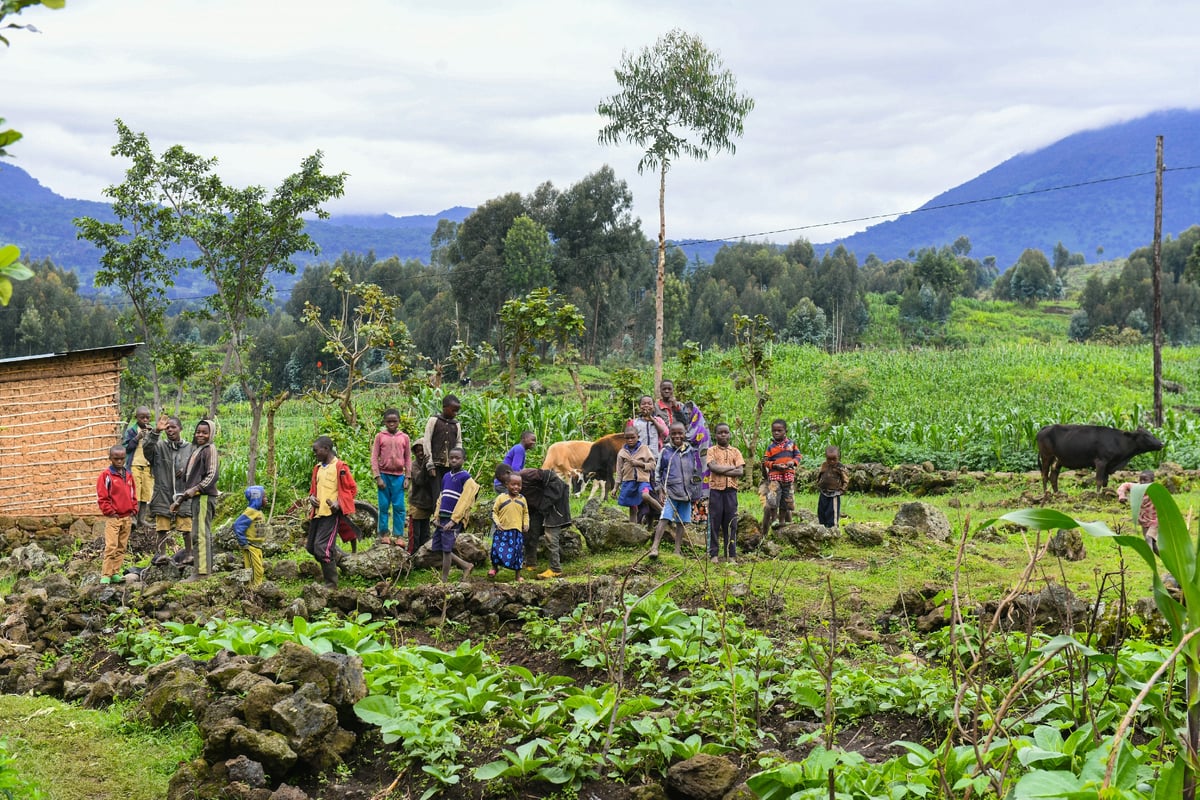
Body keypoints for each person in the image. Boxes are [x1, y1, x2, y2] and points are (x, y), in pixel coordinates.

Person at [493, 463, 572, 579]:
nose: (507, 485)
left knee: (551, 536)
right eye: (504, 484)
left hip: (555, 504)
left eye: (505, 481)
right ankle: (531, 563)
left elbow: (554, 480)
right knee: (530, 532)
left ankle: (555, 569)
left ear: (509, 473)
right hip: (539, 509)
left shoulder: (527, 474)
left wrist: (545, 502)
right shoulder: (515, 490)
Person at [306, 435, 358, 589]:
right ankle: (337, 559)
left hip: (331, 514)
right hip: (318, 513)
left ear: (326, 449)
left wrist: (339, 503)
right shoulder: (318, 468)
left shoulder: (340, 467)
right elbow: (313, 489)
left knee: (321, 548)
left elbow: (352, 489)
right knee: (311, 547)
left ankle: (331, 583)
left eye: (316, 451)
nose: (315, 453)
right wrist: (311, 498)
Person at [171, 419, 220, 579]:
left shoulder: (210, 449)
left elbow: (212, 474)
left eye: (204, 432)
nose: (200, 435)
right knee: (198, 534)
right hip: (198, 498)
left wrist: (197, 488)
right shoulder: (199, 450)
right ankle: (202, 570)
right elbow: (192, 478)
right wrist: (179, 501)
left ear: (211, 434)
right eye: (198, 432)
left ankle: (202, 573)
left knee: (200, 534)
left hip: (204, 497)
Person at [143, 414, 194, 564]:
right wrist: (156, 432)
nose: (170, 430)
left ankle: (189, 554)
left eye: (173, 427)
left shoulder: (190, 448)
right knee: (162, 526)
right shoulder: (159, 447)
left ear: (180, 428)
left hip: (183, 494)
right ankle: (162, 554)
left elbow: (198, 466)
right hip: (163, 492)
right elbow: (147, 449)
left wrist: (186, 470)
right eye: (167, 427)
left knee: (186, 526)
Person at [650, 422, 703, 559]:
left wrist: (696, 492)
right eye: (674, 433)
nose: (677, 436)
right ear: (670, 435)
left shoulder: (691, 451)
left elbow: (696, 472)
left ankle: (677, 550)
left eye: (680, 433)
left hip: (686, 493)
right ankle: (654, 547)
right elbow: (658, 472)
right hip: (671, 491)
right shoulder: (666, 451)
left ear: (685, 434)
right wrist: (660, 490)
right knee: (665, 518)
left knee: (682, 522)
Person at [432, 447, 478, 582]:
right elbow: (441, 497)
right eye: (451, 457)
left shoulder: (466, 478)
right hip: (443, 517)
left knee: (446, 550)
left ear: (464, 460)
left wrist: (454, 520)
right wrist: (436, 516)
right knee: (440, 547)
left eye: (457, 458)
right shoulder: (446, 476)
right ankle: (466, 566)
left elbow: (465, 501)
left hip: (453, 519)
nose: (453, 460)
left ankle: (444, 580)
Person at [96, 443, 137, 584]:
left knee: (121, 547)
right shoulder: (106, 476)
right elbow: (102, 497)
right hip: (114, 518)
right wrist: (110, 512)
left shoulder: (128, 475)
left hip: (127, 517)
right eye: (116, 459)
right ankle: (106, 575)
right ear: (110, 458)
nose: (119, 461)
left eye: (122, 458)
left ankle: (115, 572)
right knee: (111, 546)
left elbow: (133, 494)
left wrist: (134, 509)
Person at [371, 408, 411, 546]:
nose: (392, 424)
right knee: (383, 506)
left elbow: (408, 458)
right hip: (384, 475)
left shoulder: (404, 437)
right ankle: (384, 533)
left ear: (399, 421)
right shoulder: (380, 436)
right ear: (385, 422)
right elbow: (374, 458)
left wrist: (407, 477)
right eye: (389, 421)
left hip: (399, 477)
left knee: (399, 506)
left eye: (394, 421)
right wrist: (378, 477)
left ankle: (399, 535)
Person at [707, 422, 745, 564]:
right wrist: (730, 469)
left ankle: (731, 554)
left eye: (726, 432)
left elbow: (740, 471)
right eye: (720, 432)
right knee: (715, 522)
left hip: (731, 492)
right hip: (716, 491)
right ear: (715, 435)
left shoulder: (735, 452)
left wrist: (721, 468)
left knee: (731, 523)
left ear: (729, 434)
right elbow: (713, 468)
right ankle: (714, 555)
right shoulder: (711, 451)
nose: (723, 435)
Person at [761, 419, 801, 532]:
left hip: (787, 477)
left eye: (779, 430)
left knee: (786, 499)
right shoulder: (770, 447)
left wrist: (792, 462)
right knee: (773, 498)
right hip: (775, 477)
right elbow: (766, 462)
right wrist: (775, 465)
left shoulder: (791, 445)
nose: (776, 433)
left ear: (785, 431)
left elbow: (798, 456)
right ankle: (774, 519)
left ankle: (782, 520)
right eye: (774, 431)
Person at [489, 472, 529, 582]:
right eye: (513, 484)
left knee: (517, 553)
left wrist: (526, 524)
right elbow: (494, 512)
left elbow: (526, 513)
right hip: (502, 530)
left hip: (516, 532)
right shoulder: (501, 498)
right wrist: (497, 523)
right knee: (496, 551)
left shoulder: (522, 499)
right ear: (507, 485)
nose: (516, 487)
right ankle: (494, 567)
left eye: (519, 485)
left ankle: (517, 576)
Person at [616, 425, 661, 523]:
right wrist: (615, 487)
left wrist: (640, 464)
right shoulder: (622, 453)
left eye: (633, 437)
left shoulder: (644, 449)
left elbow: (653, 465)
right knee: (632, 507)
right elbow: (619, 471)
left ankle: (662, 512)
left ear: (638, 437)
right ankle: (633, 529)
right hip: (629, 482)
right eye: (627, 438)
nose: (630, 440)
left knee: (645, 495)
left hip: (643, 481)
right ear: (624, 438)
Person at [122, 405, 154, 529]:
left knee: (145, 494)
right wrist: (137, 438)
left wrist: (152, 435)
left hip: (147, 466)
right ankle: (133, 518)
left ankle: (142, 519)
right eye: (142, 418)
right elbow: (126, 448)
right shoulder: (131, 431)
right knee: (135, 494)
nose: (145, 420)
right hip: (135, 465)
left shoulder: (152, 431)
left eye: (147, 418)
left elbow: (155, 447)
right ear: (137, 418)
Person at [422, 394, 463, 487]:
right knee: (436, 494)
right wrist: (429, 464)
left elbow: (458, 443)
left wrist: (458, 460)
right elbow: (427, 441)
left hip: (450, 466)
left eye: (457, 411)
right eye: (453, 410)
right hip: (435, 465)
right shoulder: (434, 420)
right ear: (444, 408)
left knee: (447, 491)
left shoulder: (456, 425)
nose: (455, 413)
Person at [1117, 470, 1161, 552]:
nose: (1142, 482)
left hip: (1155, 521)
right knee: (1153, 544)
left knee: (1148, 538)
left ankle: (1149, 560)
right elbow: (1124, 485)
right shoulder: (1137, 488)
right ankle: (1165, 561)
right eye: (1140, 480)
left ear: (1152, 481)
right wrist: (1122, 496)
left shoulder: (1155, 490)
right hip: (1144, 521)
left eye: (1145, 480)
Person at [232, 485, 266, 587]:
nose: (266, 499)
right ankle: (253, 589)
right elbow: (237, 525)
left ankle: (257, 587)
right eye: (264, 497)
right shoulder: (250, 512)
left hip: (258, 546)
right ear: (257, 498)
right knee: (254, 570)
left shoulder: (258, 512)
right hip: (251, 547)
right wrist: (244, 543)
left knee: (259, 569)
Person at [407, 441, 436, 553]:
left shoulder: (432, 464)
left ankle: (423, 555)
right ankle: (412, 555)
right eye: (417, 451)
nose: (420, 453)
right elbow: (419, 480)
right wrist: (424, 465)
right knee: (415, 534)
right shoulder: (414, 465)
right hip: (417, 503)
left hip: (428, 504)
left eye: (422, 450)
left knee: (425, 533)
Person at [816, 446, 850, 529]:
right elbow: (820, 475)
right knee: (821, 510)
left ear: (838, 457)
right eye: (829, 459)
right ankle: (822, 525)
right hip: (823, 492)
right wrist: (818, 483)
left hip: (834, 492)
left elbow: (845, 479)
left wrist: (843, 489)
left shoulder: (840, 467)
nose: (831, 461)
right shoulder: (824, 465)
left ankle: (833, 527)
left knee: (832, 511)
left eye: (834, 459)